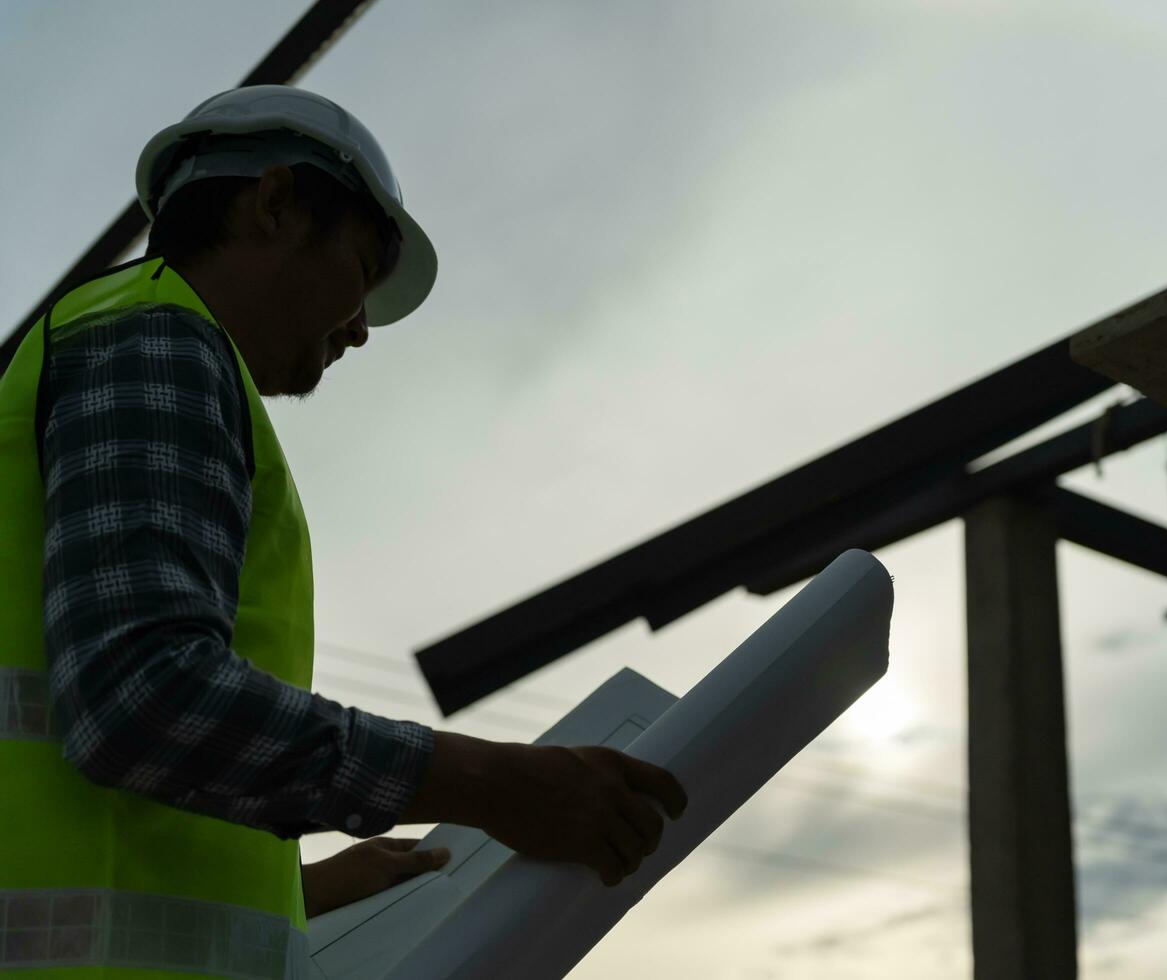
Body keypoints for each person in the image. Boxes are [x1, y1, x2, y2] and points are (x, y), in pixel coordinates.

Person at [0, 85, 686, 978]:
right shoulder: (154, 341)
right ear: (276, 203)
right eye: (361, 271)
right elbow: (139, 697)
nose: (360, 331)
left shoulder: (120, 343)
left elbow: (102, 777)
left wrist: (306, 890)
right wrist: (494, 785)